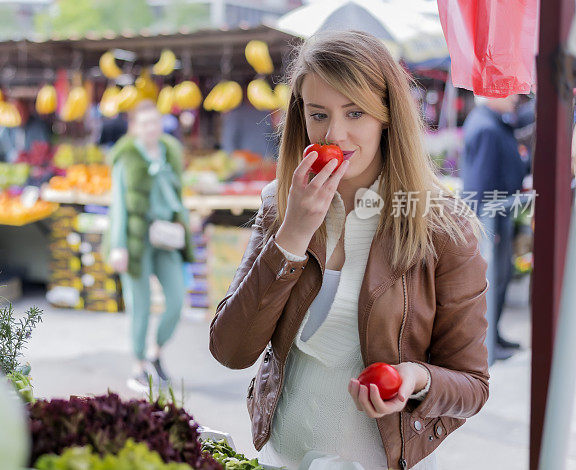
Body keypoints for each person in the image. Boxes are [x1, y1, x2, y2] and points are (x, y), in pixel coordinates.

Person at [209, 31, 489, 470]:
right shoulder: (279, 205)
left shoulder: (441, 225)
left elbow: (472, 386)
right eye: (319, 114)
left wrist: (413, 378)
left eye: (355, 113)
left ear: (387, 117)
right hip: (283, 457)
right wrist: (294, 233)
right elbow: (230, 350)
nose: (334, 135)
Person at [106, 100, 194, 392]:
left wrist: (185, 219)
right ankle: (138, 366)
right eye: (144, 124)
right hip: (136, 238)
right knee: (140, 304)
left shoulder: (169, 152)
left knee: (176, 300)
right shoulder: (127, 158)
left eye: (155, 122)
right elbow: (118, 204)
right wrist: (118, 245)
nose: (150, 128)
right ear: (134, 127)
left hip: (166, 235)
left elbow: (177, 194)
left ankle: (156, 352)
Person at [462, 94, 527, 361]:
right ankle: (488, 345)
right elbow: (480, 182)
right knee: (494, 279)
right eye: (508, 93)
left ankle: (494, 336)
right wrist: (484, 226)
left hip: (499, 212)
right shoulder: (487, 126)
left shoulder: (494, 123)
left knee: (501, 278)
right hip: (491, 216)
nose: (515, 98)